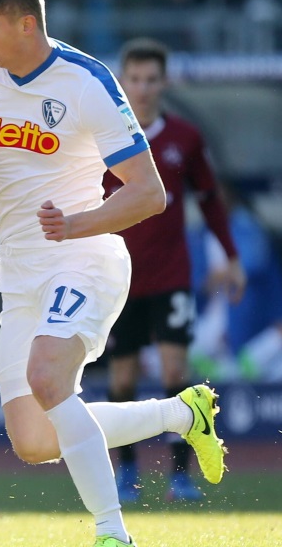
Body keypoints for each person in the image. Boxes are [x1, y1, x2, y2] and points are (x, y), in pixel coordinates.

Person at [0, 0, 226, 547]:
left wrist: (75, 225)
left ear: (26, 24)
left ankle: (113, 533)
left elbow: (149, 193)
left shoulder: (86, 82)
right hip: (19, 269)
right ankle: (184, 416)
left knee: (47, 377)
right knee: (35, 441)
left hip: (83, 256)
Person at [101, 37, 245, 504]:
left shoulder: (186, 138)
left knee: (174, 370)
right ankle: (127, 475)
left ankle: (179, 477)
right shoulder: (105, 141)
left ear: (165, 82)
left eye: (151, 79)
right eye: (135, 79)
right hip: (119, 278)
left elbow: (210, 200)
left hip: (171, 276)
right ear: (123, 81)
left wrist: (231, 256)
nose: (142, 88)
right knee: (122, 379)